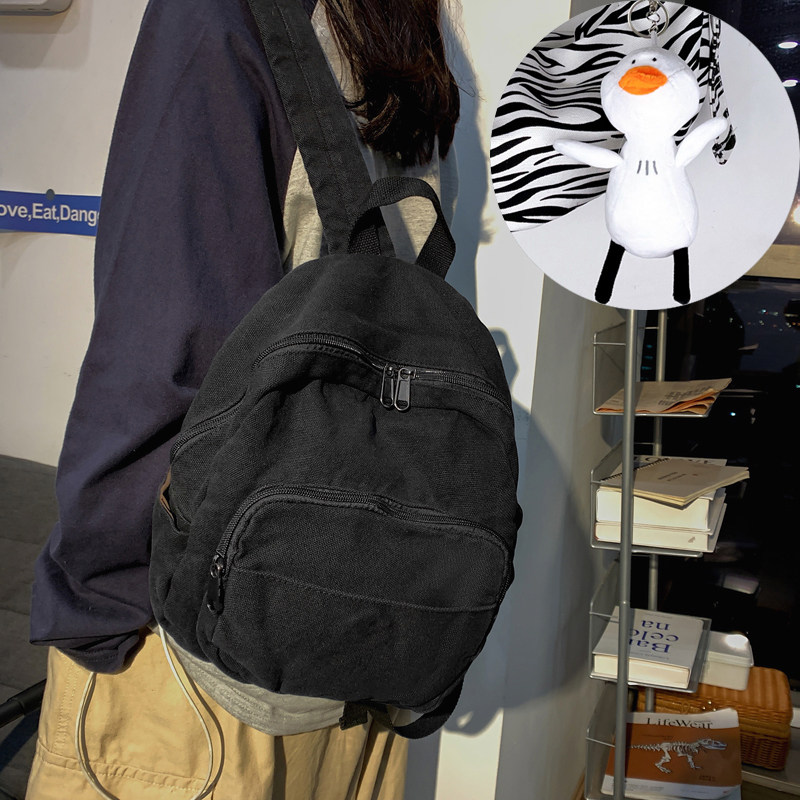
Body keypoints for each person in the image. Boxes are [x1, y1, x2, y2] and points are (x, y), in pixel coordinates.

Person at [25, 0, 460, 797]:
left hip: (201, 665)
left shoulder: (216, 15)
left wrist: (93, 602)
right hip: (363, 635)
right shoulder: (404, 30)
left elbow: (162, 353)